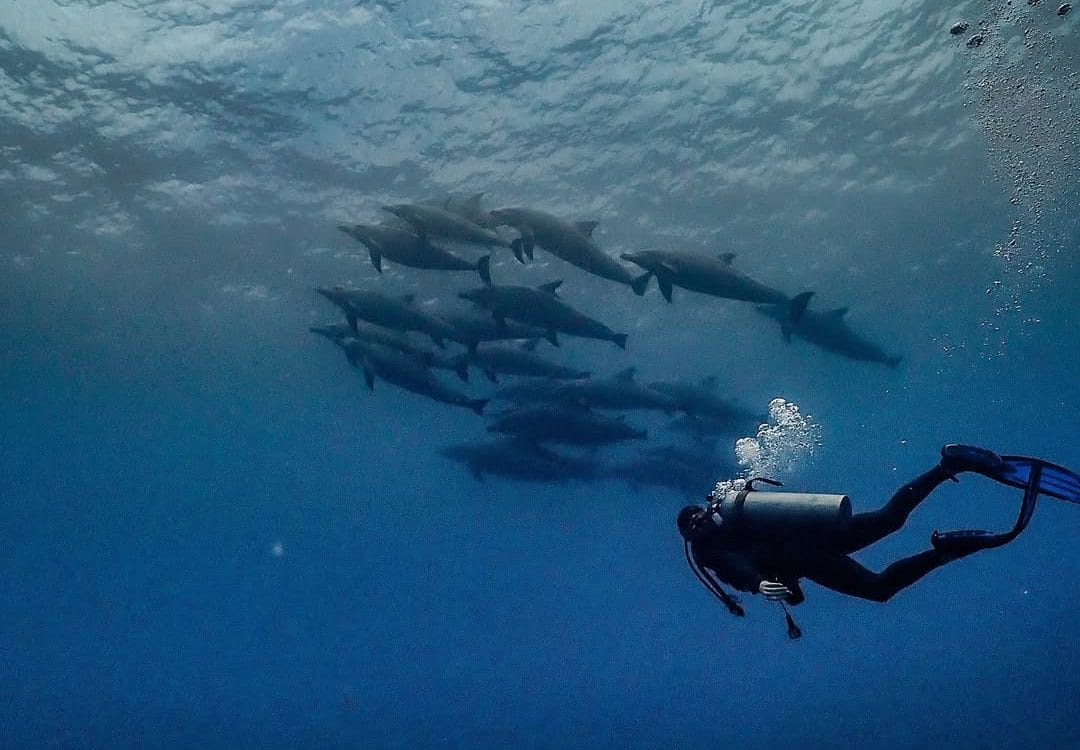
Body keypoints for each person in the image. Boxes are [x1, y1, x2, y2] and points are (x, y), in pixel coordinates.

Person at [678, 444, 1080, 622]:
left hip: (807, 558)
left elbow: (733, 566)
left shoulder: (704, 547)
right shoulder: (730, 517)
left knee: (880, 588)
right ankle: (949, 465)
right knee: (891, 518)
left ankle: (945, 551)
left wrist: (760, 583)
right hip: (818, 533)